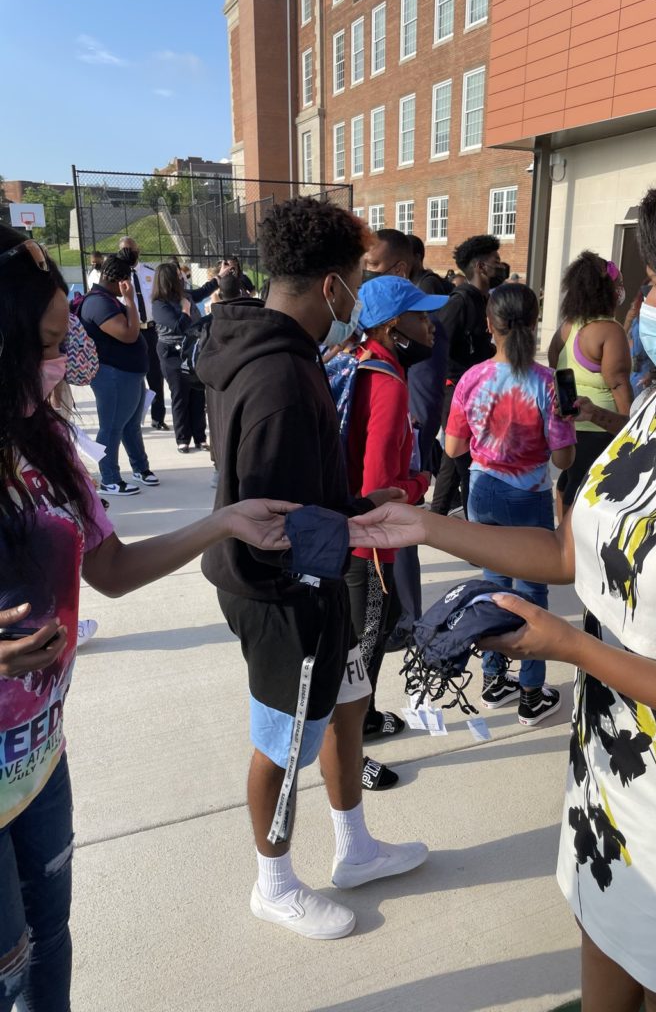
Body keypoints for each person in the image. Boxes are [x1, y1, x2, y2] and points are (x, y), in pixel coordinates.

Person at [349, 157, 656, 1011]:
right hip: (605, 758)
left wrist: (571, 648)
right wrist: (428, 524)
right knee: (599, 950)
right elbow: (573, 555)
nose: (638, 309)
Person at [0, 224, 297, 1012]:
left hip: (37, 762)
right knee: (6, 970)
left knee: (51, 936)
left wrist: (222, 523)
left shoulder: (50, 446)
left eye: (64, 341)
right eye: (49, 343)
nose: (64, 362)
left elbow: (112, 571)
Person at [197, 197, 428, 942]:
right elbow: (271, 527)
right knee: (282, 741)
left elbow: (296, 496)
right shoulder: (278, 380)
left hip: (320, 574)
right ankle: (274, 881)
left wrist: (358, 505)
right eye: (359, 278)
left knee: (346, 707)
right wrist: (353, 524)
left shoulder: (284, 354)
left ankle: (355, 847)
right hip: (283, 594)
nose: (359, 295)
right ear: (332, 286)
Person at [445, 283, 575, 721]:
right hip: (529, 497)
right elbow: (564, 458)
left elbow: (453, 449)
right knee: (532, 593)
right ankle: (531, 693)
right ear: (536, 324)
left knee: (494, 587)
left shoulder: (471, 379)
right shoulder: (547, 384)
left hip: (483, 493)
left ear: (489, 326)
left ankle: (494, 678)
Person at [345, 276, 446, 752]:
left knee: (365, 642)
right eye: (420, 316)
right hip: (369, 547)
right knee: (364, 647)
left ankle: (362, 718)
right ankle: (352, 747)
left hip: (360, 539)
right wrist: (421, 482)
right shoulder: (387, 386)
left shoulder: (368, 367)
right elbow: (374, 491)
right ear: (391, 327)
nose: (430, 325)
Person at [547, 250, 632, 514]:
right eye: (618, 285)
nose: (621, 290)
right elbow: (619, 384)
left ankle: (562, 540)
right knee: (585, 492)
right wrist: (630, 425)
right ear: (606, 290)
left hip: (567, 424)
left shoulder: (568, 326)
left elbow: (553, 364)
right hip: (600, 427)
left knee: (568, 482)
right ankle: (571, 548)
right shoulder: (609, 330)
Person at [431, 235, 504, 517]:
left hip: (474, 392)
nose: (501, 268)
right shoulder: (459, 303)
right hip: (457, 393)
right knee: (469, 465)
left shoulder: (485, 300)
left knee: (455, 457)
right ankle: (477, 531)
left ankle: (438, 516)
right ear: (481, 267)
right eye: (496, 262)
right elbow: (438, 347)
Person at [79, 253, 159, 496]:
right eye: (127, 281)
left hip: (128, 374)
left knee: (130, 425)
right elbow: (129, 334)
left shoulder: (110, 300)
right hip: (113, 376)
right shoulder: (99, 303)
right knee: (112, 427)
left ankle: (140, 468)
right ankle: (109, 479)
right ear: (117, 280)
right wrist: (131, 302)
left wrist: (127, 302)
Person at [151, 261, 219, 453]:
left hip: (192, 351)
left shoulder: (185, 296)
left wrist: (219, 277)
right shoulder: (159, 305)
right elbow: (179, 326)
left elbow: (203, 291)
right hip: (172, 353)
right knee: (180, 394)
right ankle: (183, 438)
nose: (182, 277)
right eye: (178, 275)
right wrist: (186, 309)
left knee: (197, 392)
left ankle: (200, 436)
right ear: (170, 279)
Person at [117, 237, 168, 432]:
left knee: (156, 376)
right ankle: (131, 419)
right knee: (131, 377)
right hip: (129, 333)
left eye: (132, 249)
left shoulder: (150, 273)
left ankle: (158, 417)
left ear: (138, 250)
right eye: (125, 250)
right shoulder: (118, 276)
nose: (130, 252)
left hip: (151, 330)